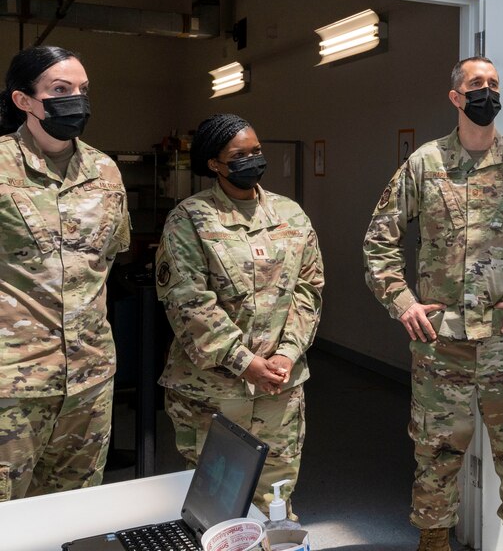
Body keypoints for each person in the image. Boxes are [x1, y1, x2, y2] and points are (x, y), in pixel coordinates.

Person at [364, 56, 503, 551]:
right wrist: (403, 303)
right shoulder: (425, 164)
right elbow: (379, 241)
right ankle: (434, 542)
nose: (487, 91)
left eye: (494, 83)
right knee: (436, 455)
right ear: (456, 97)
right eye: (476, 84)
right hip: (441, 344)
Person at [155, 113, 323, 517]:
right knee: (214, 507)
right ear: (215, 164)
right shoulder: (190, 218)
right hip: (212, 392)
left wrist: (287, 353)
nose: (252, 159)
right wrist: (244, 362)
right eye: (239, 155)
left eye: (257, 151)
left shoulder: (291, 215)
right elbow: (188, 301)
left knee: (276, 502)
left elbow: (309, 289)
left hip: (278, 390)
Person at [0, 45, 130, 501]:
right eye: (60, 89)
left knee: (76, 507)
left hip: (90, 380)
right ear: (24, 100)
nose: (76, 99)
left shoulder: (105, 171)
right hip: (13, 384)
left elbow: (107, 258)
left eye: (82, 89)